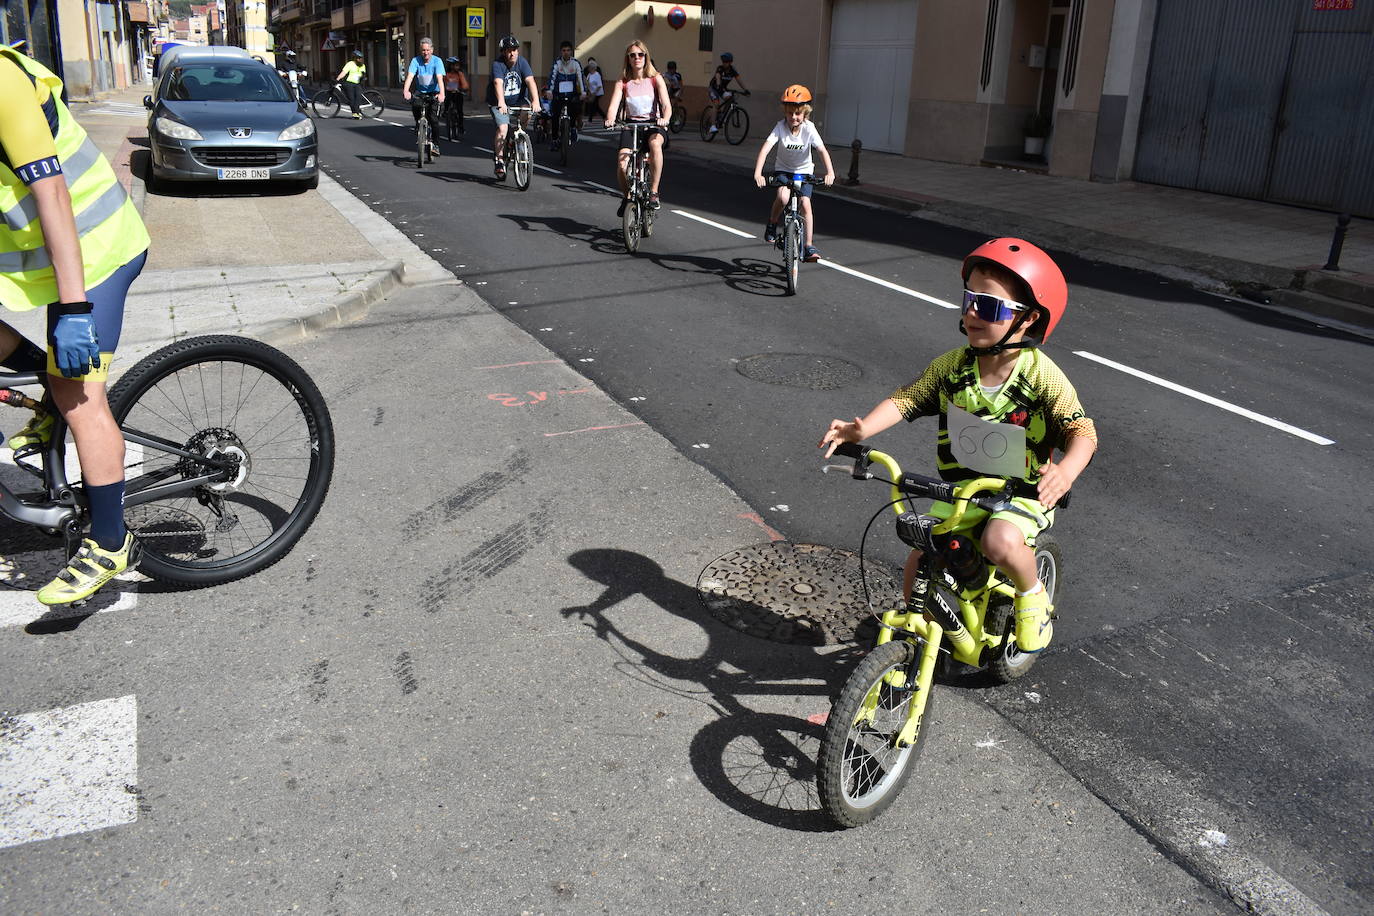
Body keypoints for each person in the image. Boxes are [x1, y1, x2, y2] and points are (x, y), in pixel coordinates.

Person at [819, 239, 1097, 653]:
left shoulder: (1042, 376)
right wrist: (863, 432)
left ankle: (1032, 596)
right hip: (961, 491)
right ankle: (919, 633)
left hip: (1019, 494)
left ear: (1028, 319)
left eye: (988, 306)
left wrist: (1066, 471)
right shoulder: (953, 367)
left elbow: (1082, 432)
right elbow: (908, 398)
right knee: (921, 555)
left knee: (999, 542)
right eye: (969, 300)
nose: (970, 312)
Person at [0, 42, 151, 605]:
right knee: (59, 383)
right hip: (46, 258)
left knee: (80, 393)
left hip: (98, 249)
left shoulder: (2, 83)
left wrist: (73, 312)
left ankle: (112, 542)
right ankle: (48, 395)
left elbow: (53, 194)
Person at [752, 85, 835, 262]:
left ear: (805, 113)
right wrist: (758, 173)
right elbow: (765, 150)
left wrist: (830, 172)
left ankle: (808, 245)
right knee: (782, 198)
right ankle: (773, 223)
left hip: (804, 172)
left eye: (798, 113)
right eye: (790, 113)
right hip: (784, 171)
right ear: (785, 113)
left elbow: (822, 151)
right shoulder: (780, 128)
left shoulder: (809, 129)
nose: (793, 117)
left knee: (806, 204)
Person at [602, 40, 671, 214]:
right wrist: (610, 119)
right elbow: (613, 106)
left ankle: (654, 192)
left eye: (640, 54)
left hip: (653, 125)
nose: (637, 58)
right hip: (631, 126)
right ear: (628, 59)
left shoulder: (656, 79)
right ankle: (627, 197)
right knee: (622, 164)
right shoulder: (623, 81)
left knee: (655, 145)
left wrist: (665, 118)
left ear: (646, 57)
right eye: (633, 55)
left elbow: (666, 105)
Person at [487, 34, 538, 180]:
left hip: (518, 100)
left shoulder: (522, 62)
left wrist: (536, 101)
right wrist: (501, 102)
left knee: (527, 112)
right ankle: (500, 160)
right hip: (498, 102)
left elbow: (530, 81)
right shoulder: (498, 64)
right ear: (503, 52)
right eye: (509, 50)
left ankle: (518, 136)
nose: (512, 53)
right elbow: (498, 83)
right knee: (503, 128)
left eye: (515, 49)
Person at [402, 37, 445, 160]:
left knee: (434, 120)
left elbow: (440, 79)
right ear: (420, 51)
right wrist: (406, 91)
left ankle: (436, 145)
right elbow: (410, 77)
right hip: (420, 92)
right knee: (415, 107)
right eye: (423, 50)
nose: (425, 53)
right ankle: (418, 124)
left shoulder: (437, 61)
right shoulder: (415, 61)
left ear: (432, 50)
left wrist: (442, 94)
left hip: (434, 93)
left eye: (427, 50)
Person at [546, 40, 586, 150]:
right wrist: (549, 91)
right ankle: (554, 139)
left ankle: (573, 127)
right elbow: (552, 78)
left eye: (568, 50)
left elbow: (580, 78)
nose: (566, 53)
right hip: (558, 94)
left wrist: (583, 92)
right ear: (561, 52)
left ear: (571, 51)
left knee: (575, 108)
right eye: (564, 50)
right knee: (555, 115)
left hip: (571, 93)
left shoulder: (576, 63)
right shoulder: (557, 64)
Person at [707, 51, 747, 135]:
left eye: (726, 62)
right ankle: (712, 126)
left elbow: (738, 79)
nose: (724, 63)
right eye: (723, 62)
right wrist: (718, 84)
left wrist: (745, 89)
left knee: (730, 98)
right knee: (716, 104)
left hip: (722, 89)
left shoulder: (732, 70)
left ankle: (722, 115)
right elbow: (718, 76)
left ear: (730, 62)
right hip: (713, 88)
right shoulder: (720, 68)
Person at [334, 49, 366, 119]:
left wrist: (363, 77)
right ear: (355, 58)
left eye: (361, 58)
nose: (360, 59)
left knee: (358, 98)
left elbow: (363, 74)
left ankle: (357, 112)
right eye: (358, 58)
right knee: (351, 99)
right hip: (349, 83)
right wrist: (337, 79)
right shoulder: (350, 64)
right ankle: (355, 113)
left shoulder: (362, 65)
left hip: (357, 84)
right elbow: (344, 72)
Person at [443, 56, 469, 134]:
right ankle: (445, 111)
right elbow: (442, 82)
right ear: (451, 66)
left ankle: (461, 127)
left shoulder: (460, 74)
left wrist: (464, 89)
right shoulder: (446, 74)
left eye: (458, 65)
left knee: (460, 111)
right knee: (447, 100)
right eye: (455, 65)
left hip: (458, 93)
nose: (457, 67)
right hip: (449, 92)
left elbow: (464, 84)